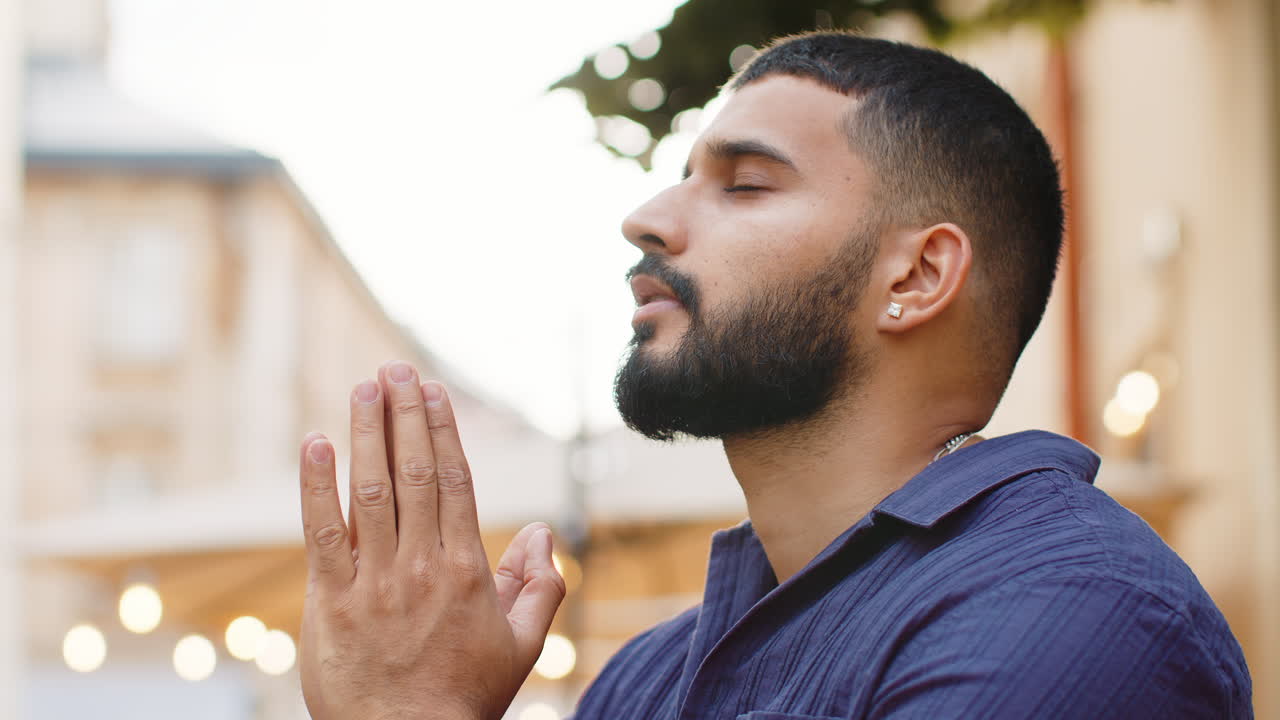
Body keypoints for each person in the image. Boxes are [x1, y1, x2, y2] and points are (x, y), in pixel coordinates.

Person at [294, 32, 1251, 720]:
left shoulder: (1079, 616)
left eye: (744, 183)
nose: (650, 217)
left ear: (915, 278)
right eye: (679, 176)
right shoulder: (644, 681)